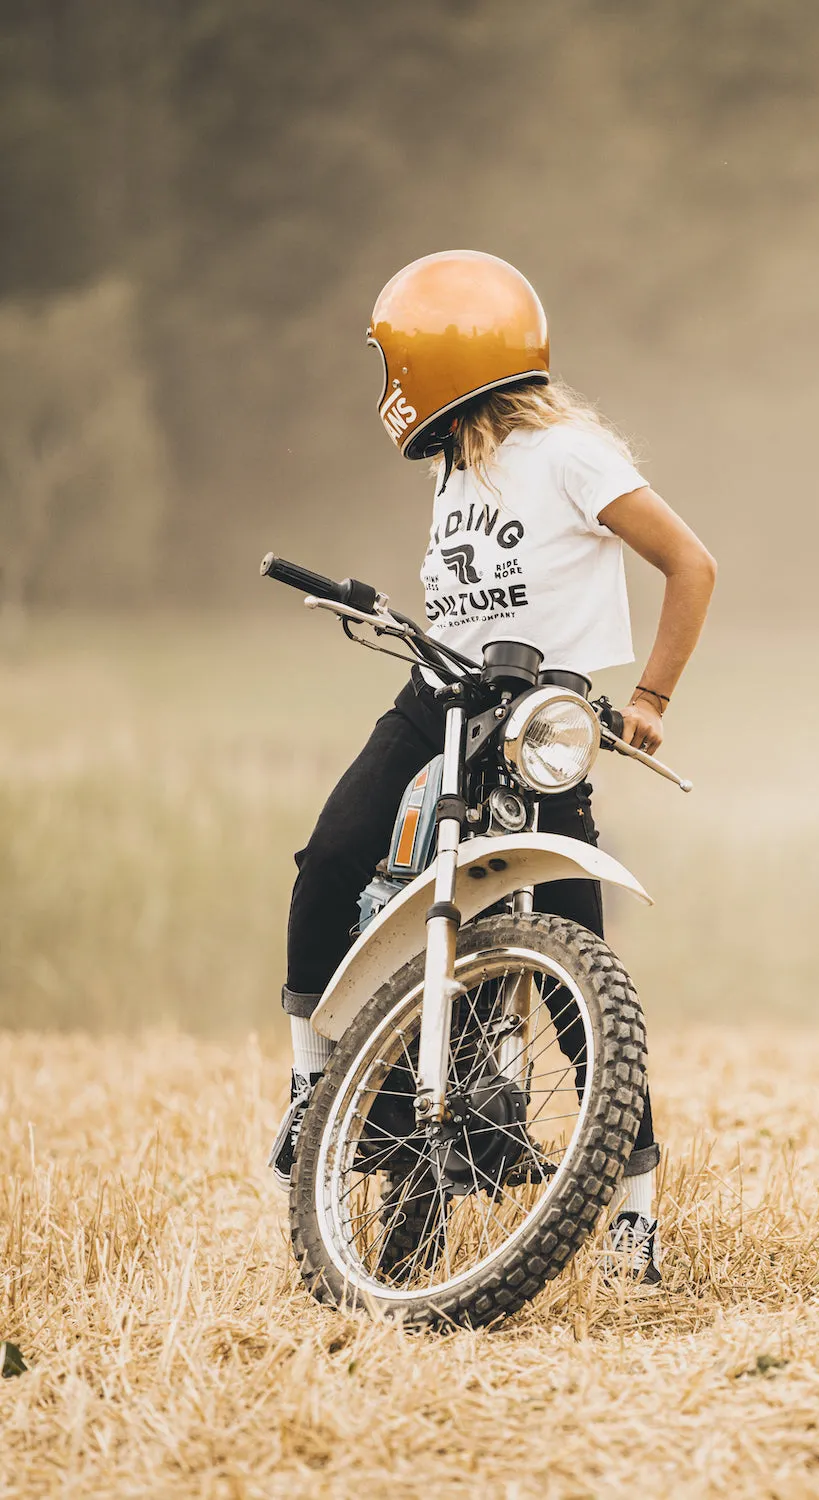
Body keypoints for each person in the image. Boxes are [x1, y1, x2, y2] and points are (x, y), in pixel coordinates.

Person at [268, 250, 716, 1284]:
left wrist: (647, 699)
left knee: (572, 961)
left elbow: (688, 563)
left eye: (394, 356)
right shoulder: (453, 465)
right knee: (335, 857)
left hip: (536, 715)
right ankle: (311, 1083)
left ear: (436, 352)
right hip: (439, 699)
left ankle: (633, 1212)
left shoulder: (570, 450)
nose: (387, 381)